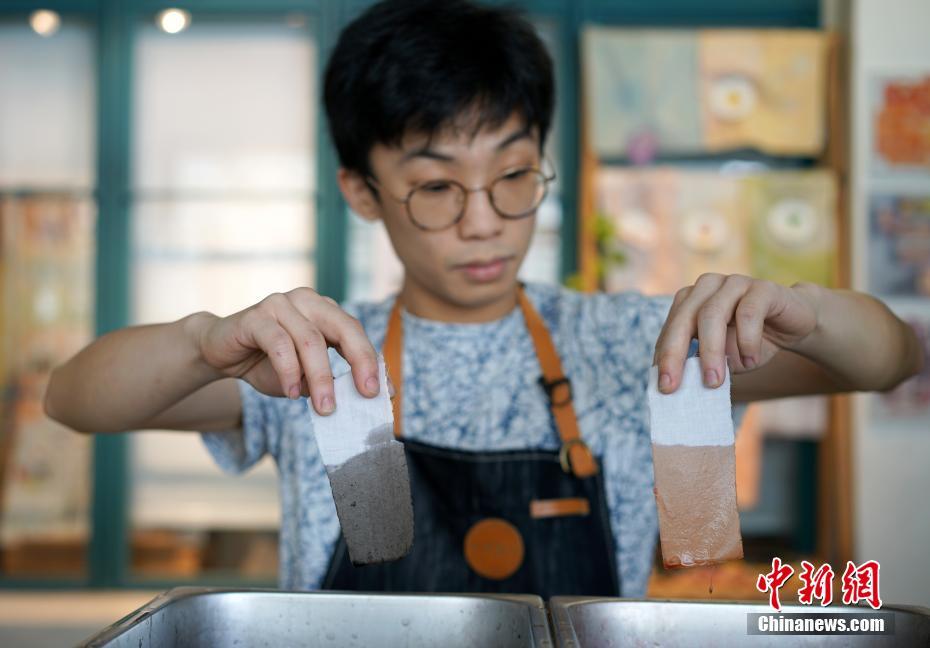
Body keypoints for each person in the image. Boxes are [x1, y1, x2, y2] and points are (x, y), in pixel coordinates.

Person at [45, 0, 922, 598]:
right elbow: (75, 398)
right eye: (435, 187)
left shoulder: (633, 345)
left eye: (511, 176)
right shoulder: (318, 359)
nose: (483, 223)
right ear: (360, 189)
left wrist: (806, 312)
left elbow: (893, 356)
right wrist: (203, 340)